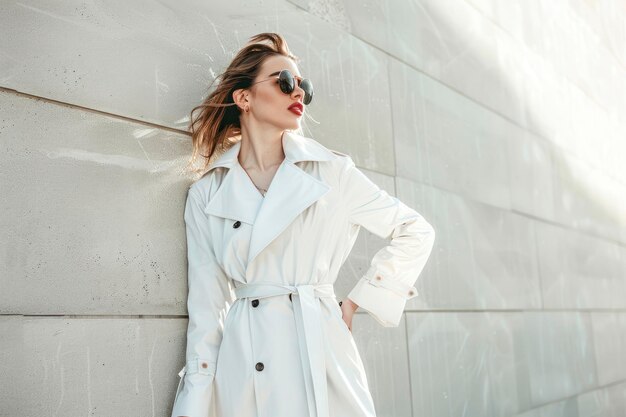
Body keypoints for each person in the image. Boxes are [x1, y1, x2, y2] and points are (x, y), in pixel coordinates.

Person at [170, 32, 436, 417]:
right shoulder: (207, 194)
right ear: (244, 98)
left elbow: (415, 229)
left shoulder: (332, 172)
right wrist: (194, 400)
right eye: (284, 82)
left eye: (303, 87)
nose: (298, 94)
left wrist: (355, 301)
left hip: (320, 348)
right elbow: (208, 310)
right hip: (245, 367)